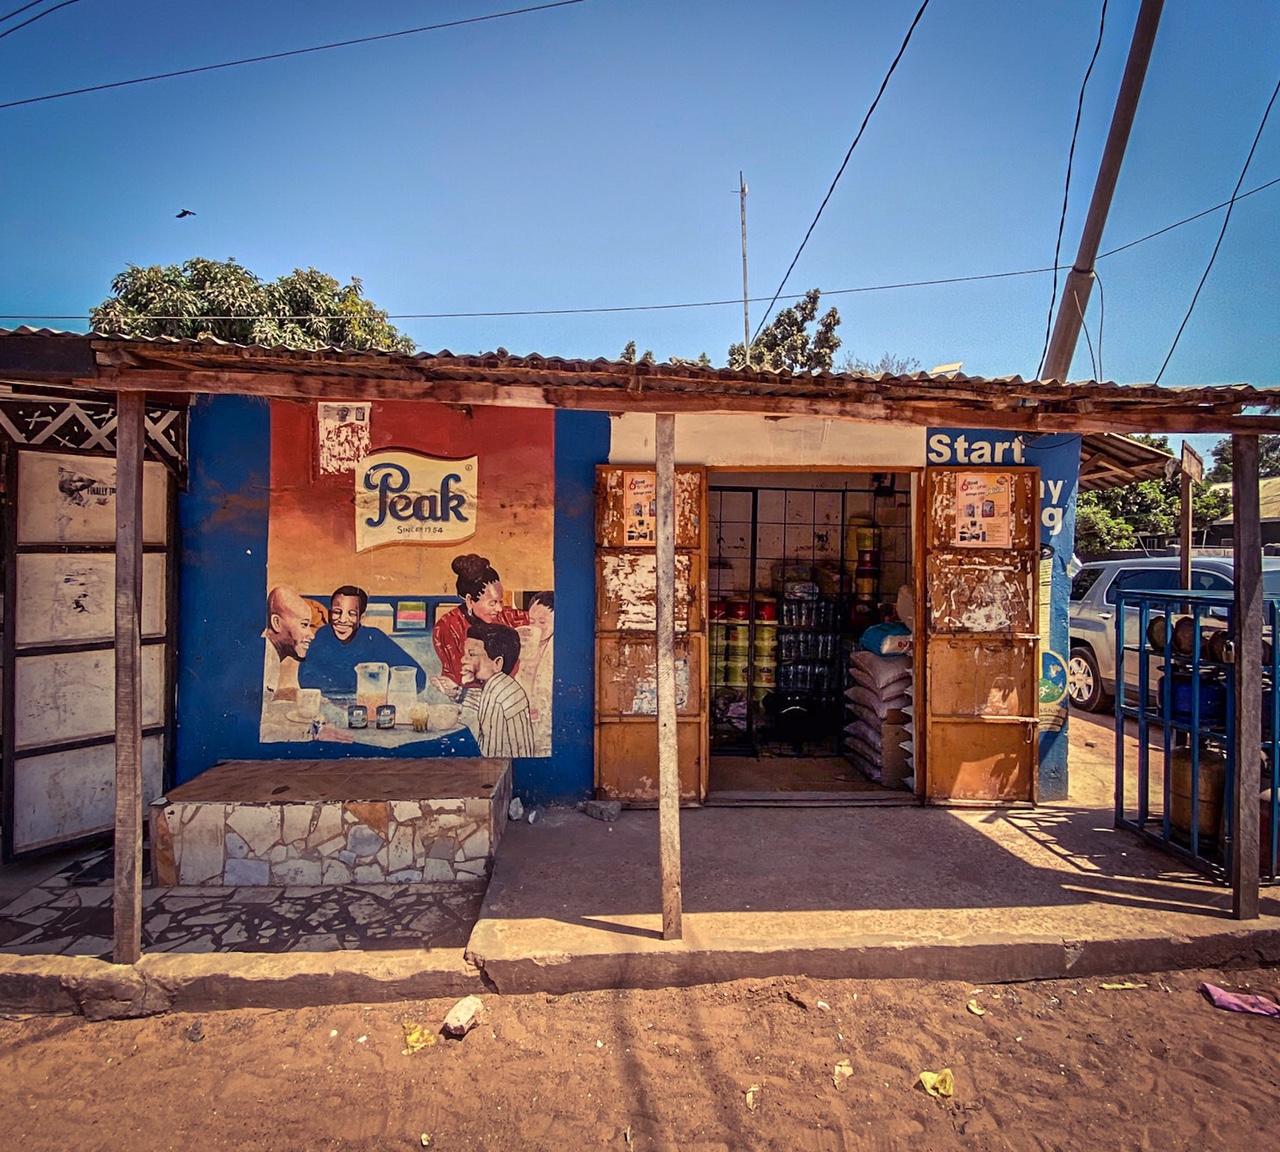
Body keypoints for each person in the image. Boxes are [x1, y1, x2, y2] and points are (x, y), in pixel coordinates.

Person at [299, 584, 427, 697]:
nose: (342, 620)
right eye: (337, 612)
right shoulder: (322, 635)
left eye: (352, 614)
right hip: (328, 707)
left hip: (371, 705)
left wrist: (377, 684)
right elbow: (305, 678)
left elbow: (418, 678)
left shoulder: (374, 638)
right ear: (330, 613)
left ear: (362, 618)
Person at [432, 553, 528, 701]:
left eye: (501, 601)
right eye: (493, 603)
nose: (499, 609)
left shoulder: (506, 617)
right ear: (470, 601)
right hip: (470, 705)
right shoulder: (447, 628)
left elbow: (544, 619)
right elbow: (457, 679)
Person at [462, 619, 535, 758]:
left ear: (497, 663)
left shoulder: (501, 695)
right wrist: (458, 693)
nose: (463, 660)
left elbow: (496, 753)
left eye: (471, 654)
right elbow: (481, 699)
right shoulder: (498, 686)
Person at [516, 590, 554, 755]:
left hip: (548, 725)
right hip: (525, 723)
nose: (536, 626)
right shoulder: (528, 644)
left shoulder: (559, 647)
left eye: (542, 621)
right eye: (532, 621)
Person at [263, 585, 315, 703]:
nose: (311, 635)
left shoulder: (270, 656)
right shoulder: (261, 660)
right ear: (277, 623)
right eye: (304, 625)